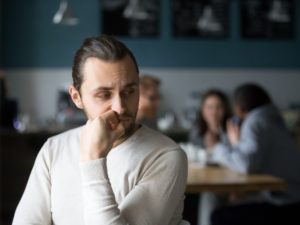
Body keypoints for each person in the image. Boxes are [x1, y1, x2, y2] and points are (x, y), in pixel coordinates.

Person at [12, 35, 188, 225]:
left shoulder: (166, 156)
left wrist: (92, 160)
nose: (120, 107)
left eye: (129, 91)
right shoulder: (53, 149)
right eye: (104, 95)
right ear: (76, 97)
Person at [211, 83, 300, 225]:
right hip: (293, 199)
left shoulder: (255, 122)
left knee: (218, 215)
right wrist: (237, 144)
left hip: (282, 205)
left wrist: (217, 148)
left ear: (240, 109)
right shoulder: (273, 119)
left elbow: (246, 165)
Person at [187, 89, 231, 225]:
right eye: (210, 107)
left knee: (209, 195)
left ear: (225, 110)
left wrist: (219, 133)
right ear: (203, 110)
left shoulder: (231, 130)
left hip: (226, 180)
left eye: (219, 107)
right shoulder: (197, 131)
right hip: (200, 178)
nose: (214, 112)